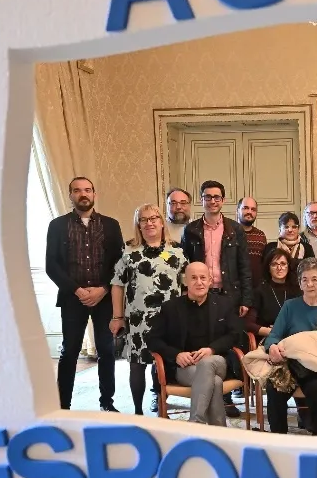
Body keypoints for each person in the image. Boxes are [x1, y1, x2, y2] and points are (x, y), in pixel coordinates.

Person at [45, 176, 124, 412]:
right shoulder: (57, 226)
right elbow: (52, 266)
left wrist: (103, 289)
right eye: (77, 190)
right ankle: (63, 406)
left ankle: (107, 402)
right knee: (69, 351)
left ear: (94, 194)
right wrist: (78, 290)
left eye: (88, 190)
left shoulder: (111, 225)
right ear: (70, 195)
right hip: (73, 298)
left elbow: (119, 264)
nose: (83, 194)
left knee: (106, 350)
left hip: (104, 298)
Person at [181, 180, 253, 418]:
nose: (212, 201)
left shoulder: (235, 229)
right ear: (201, 200)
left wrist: (246, 298)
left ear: (223, 200)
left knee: (226, 343)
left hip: (228, 294)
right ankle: (206, 390)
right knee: (202, 340)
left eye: (217, 197)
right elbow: (184, 265)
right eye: (208, 197)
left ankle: (225, 397)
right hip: (200, 292)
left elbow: (244, 266)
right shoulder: (191, 230)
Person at [146, 262, 247, 426]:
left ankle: (196, 422)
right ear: (185, 281)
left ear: (210, 280)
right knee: (214, 382)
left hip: (218, 361)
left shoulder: (224, 304)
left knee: (207, 363)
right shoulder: (170, 307)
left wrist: (212, 349)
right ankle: (218, 431)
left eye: (203, 278)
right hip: (186, 367)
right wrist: (176, 355)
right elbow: (152, 339)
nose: (199, 282)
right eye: (193, 278)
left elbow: (235, 335)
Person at [109, 204, 186, 415]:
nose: (149, 223)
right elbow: (117, 284)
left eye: (153, 218)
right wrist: (117, 316)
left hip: (169, 319)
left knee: (162, 363)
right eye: (143, 219)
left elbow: (185, 285)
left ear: (162, 222)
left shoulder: (177, 250)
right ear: (138, 225)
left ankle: (161, 405)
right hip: (138, 319)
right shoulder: (128, 251)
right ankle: (138, 412)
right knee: (137, 364)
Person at [263, 258, 317, 436]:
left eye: (314, 279)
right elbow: (274, 336)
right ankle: (278, 437)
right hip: (291, 365)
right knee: (274, 388)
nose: (310, 284)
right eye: (305, 279)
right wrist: (272, 347)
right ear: (300, 283)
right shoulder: (290, 307)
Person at [246, 248, 300, 341]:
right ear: (268, 268)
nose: (279, 268)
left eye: (283, 264)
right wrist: (274, 332)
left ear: (288, 266)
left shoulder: (297, 290)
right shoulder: (260, 291)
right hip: (269, 338)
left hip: (294, 337)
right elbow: (248, 324)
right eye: (274, 264)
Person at [237, 197, 267, 288]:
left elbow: (264, 263)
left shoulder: (261, 236)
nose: (249, 212)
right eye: (245, 208)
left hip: (256, 289)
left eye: (253, 209)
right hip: (234, 290)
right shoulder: (229, 233)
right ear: (238, 210)